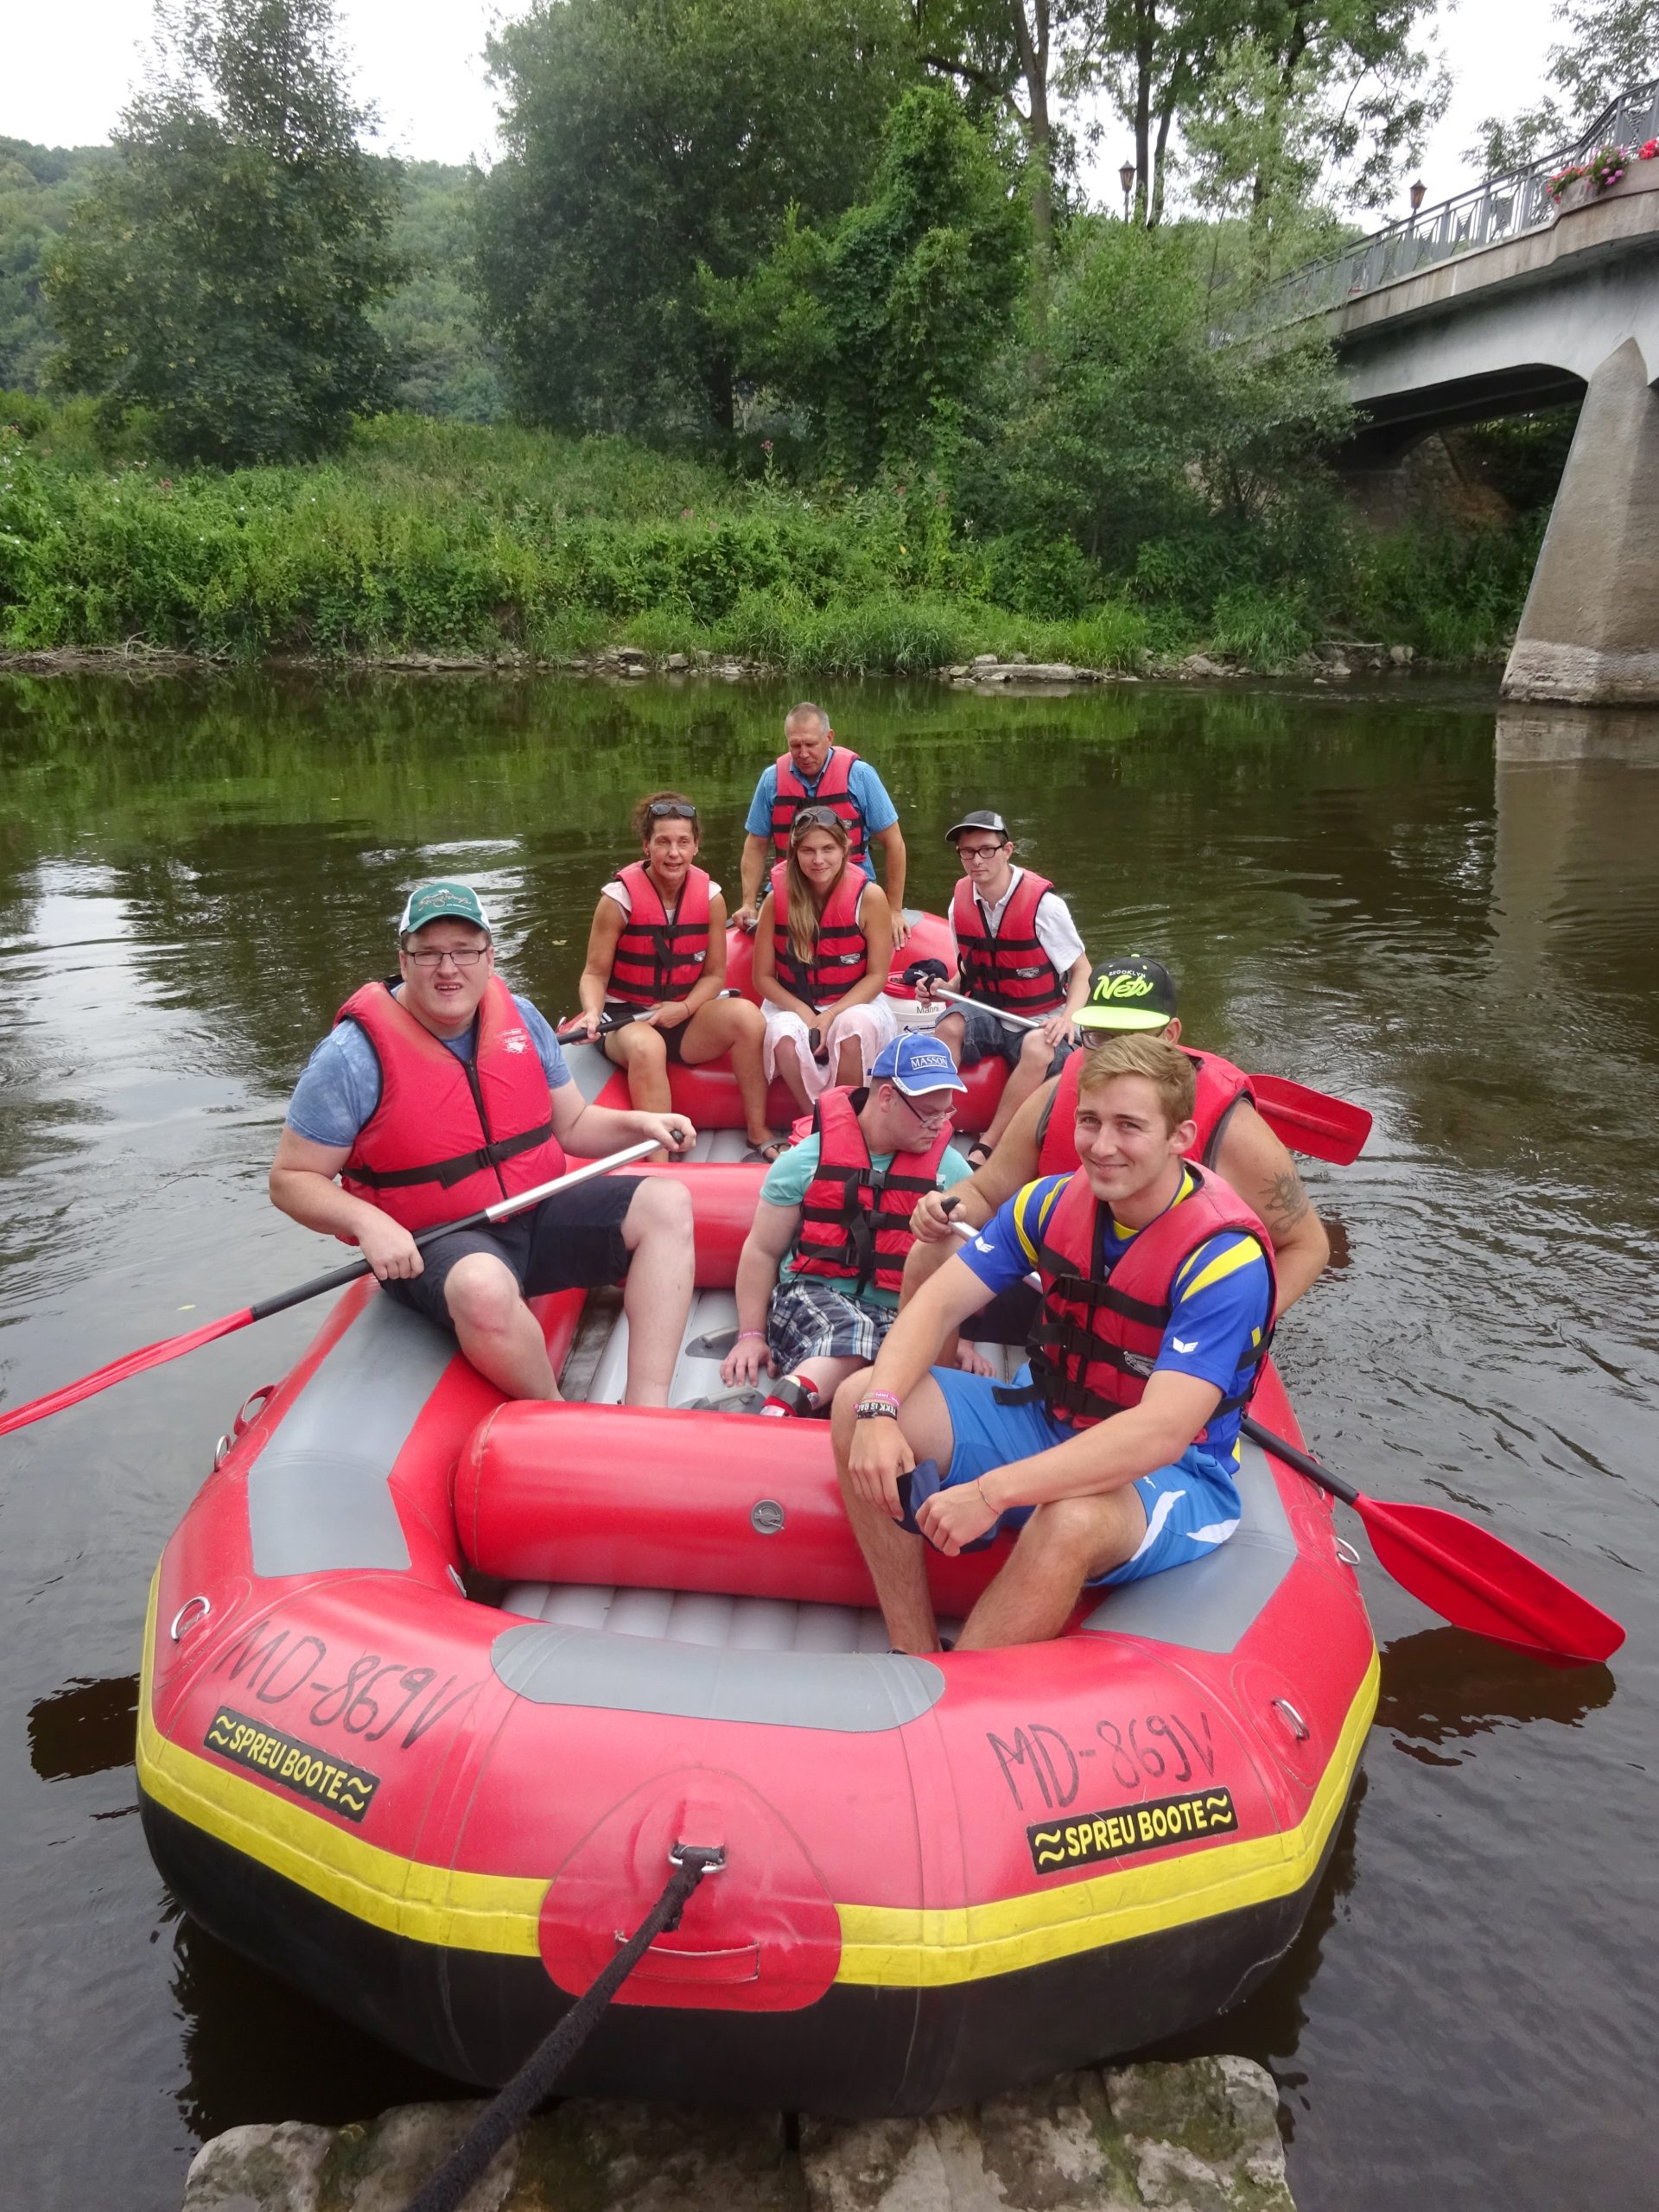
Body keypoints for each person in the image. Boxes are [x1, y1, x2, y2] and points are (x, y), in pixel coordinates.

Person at [834, 1033, 1277, 1652]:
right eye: (1089, 1121)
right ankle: (913, 1650)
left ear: (1180, 1137)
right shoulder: (1047, 1203)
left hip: (1172, 1473)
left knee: (1068, 1518)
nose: (1101, 1146)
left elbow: (1162, 1432)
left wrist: (995, 1491)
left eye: (1129, 1126)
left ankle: (954, 1700)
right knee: (856, 1399)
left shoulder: (1224, 1261)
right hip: (1051, 1415)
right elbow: (935, 1303)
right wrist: (880, 1408)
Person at [269, 879, 696, 1407]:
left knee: (667, 1202)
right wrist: (367, 1222)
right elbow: (290, 1180)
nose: (448, 969)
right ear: (403, 961)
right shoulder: (350, 1058)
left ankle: (646, 1409)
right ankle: (554, 1415)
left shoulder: (521, 1017)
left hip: (533, 1210)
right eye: (429, 952)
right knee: (482, 1286)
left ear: (489, 957)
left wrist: (640, 1123)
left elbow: (573, 1126)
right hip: (440, 1240)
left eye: (465, 950)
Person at [903, 955, 1329, 1325]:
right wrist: (947, 1207)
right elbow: (986, 1190)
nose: (1114, 1057)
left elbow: (1306, 1246)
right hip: (1055, 1289)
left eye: (1133, 1038)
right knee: (931, 1254)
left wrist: (1240, 1329)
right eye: (1100, 1037)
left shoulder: (1230, 1125)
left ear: (1171, 1036)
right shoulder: (1056, 1096)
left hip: (1161, 1313)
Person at [720, 1034, 976, 1417]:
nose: (939, 1126)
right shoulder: (806, 1160)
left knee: (900, 1355)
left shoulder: (951, 1172)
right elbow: (762, 1250)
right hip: (812, 1295)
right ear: (887, 1098)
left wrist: (961, 1339)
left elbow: (968, 1263)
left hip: (899, 1312)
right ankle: (779, 1413)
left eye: (947, 1114)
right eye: (929, 1114)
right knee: (855, 1336)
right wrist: (751, 1336)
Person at [569, 791, 784, 1161]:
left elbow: (715, 975)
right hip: (625, 1019)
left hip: (683, 1015)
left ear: (696, 846)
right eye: (663, 842)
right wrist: (590, 1012)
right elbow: (593, 973)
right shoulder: (619, 900)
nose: (674, 853)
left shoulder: (711, 898)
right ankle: (660, 1159)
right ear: (646, 845)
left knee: (748, 1017)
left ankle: (758, 1131)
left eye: (683, 842)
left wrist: (683, 1010)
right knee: (648, 1046)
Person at [906, 810, 1090, 1166]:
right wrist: (947, 987)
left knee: (1038, 1048)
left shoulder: (1045, 907)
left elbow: (1082, 971)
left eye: (986, 850)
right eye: (967, 852)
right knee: (948, 1025)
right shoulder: (959, 903)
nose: (976, 860)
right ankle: (934, 1120)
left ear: (1008, 850)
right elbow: (969, 971)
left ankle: (987, 1145)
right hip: (991, 1010)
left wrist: (1068, 1019)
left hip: (1043, 1016)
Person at [752, 807, 899, 1110]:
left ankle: (846, 1115)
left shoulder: (870, 898)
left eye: (827, 849)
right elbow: (762, 978)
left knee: (853, 1027)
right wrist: (803, 1012)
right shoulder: (774, 900)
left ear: (845, 848)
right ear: (795, 853)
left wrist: (830, 1016)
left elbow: (876, 977)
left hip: (855, 1000)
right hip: (792, 1002)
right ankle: (816, 1121)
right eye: (808, 850)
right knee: (783, 1033)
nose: (818, 860)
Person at [733, 702, 910, 947]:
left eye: (811, 744)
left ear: (829, 737)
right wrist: (748, 904)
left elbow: (894, 843)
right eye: (795, 745)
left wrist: (893, 910)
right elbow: (755, 845)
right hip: (792, 885)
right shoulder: (771, 779)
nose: (803, 753)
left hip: (853, 883)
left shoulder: (860, 776)